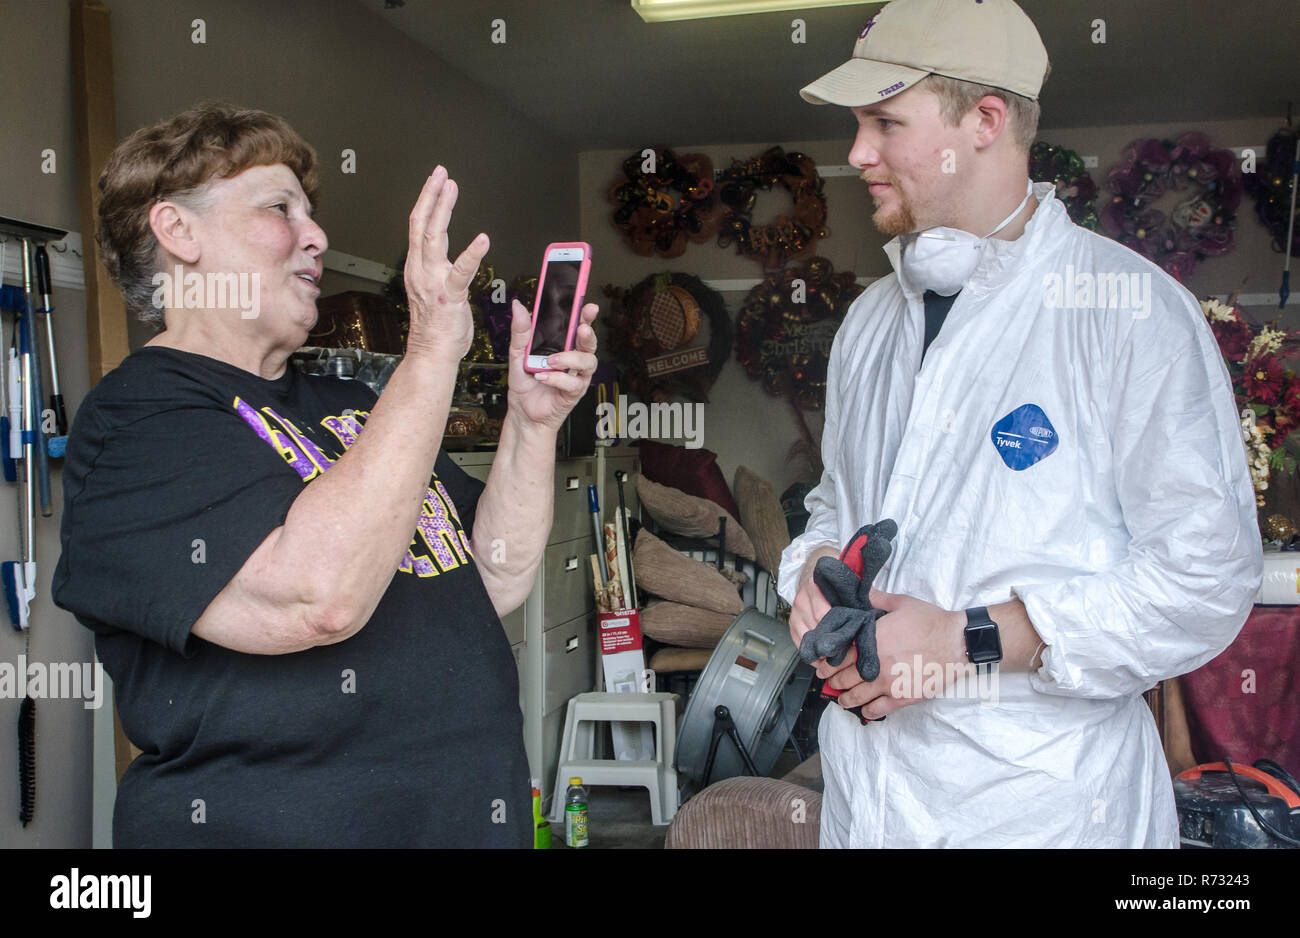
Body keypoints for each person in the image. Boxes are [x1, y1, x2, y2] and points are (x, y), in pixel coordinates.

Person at [777, 0, 1262, 848]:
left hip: (1045, 812)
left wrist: (964, 640)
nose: (856, 154)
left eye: (885, 122)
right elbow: (835, 508)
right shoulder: (868, 325)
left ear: (986, 121)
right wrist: (816, 566)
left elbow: (1204, 579)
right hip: (870, 803)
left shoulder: (1130, 312)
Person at [52, 103, 599, 847]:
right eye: (280, 208)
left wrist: (533, 426)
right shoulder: (137, 423)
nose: (317, 237)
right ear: (178, 231)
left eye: (312, 212)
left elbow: (494, 575)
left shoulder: (353, 404)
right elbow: (320, 600)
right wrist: (432, 350)